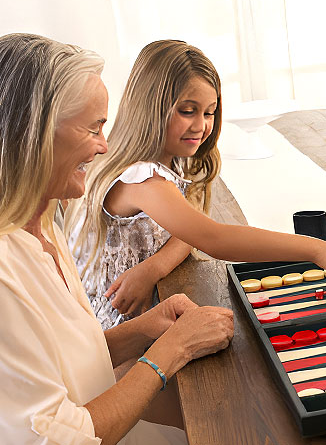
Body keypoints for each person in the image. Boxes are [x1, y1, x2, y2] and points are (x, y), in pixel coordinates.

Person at [0, 32, 234, 444]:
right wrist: (169, 350)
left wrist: (144, 329)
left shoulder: (44, 226)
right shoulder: (6, 274)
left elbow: (70, 367)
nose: (104, 145)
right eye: (92, 129)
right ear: (33, 136)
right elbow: (58, 436)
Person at [66, 40, 326, 329]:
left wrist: (154, 267)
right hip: (114, 330)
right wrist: (317, 250)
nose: (201, 126)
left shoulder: (170, 160)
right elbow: (212, 237)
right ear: (150, 107)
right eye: (187, 111)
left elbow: (190, 231)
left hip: (150, 306)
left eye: (209, 112)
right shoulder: (142, 178)